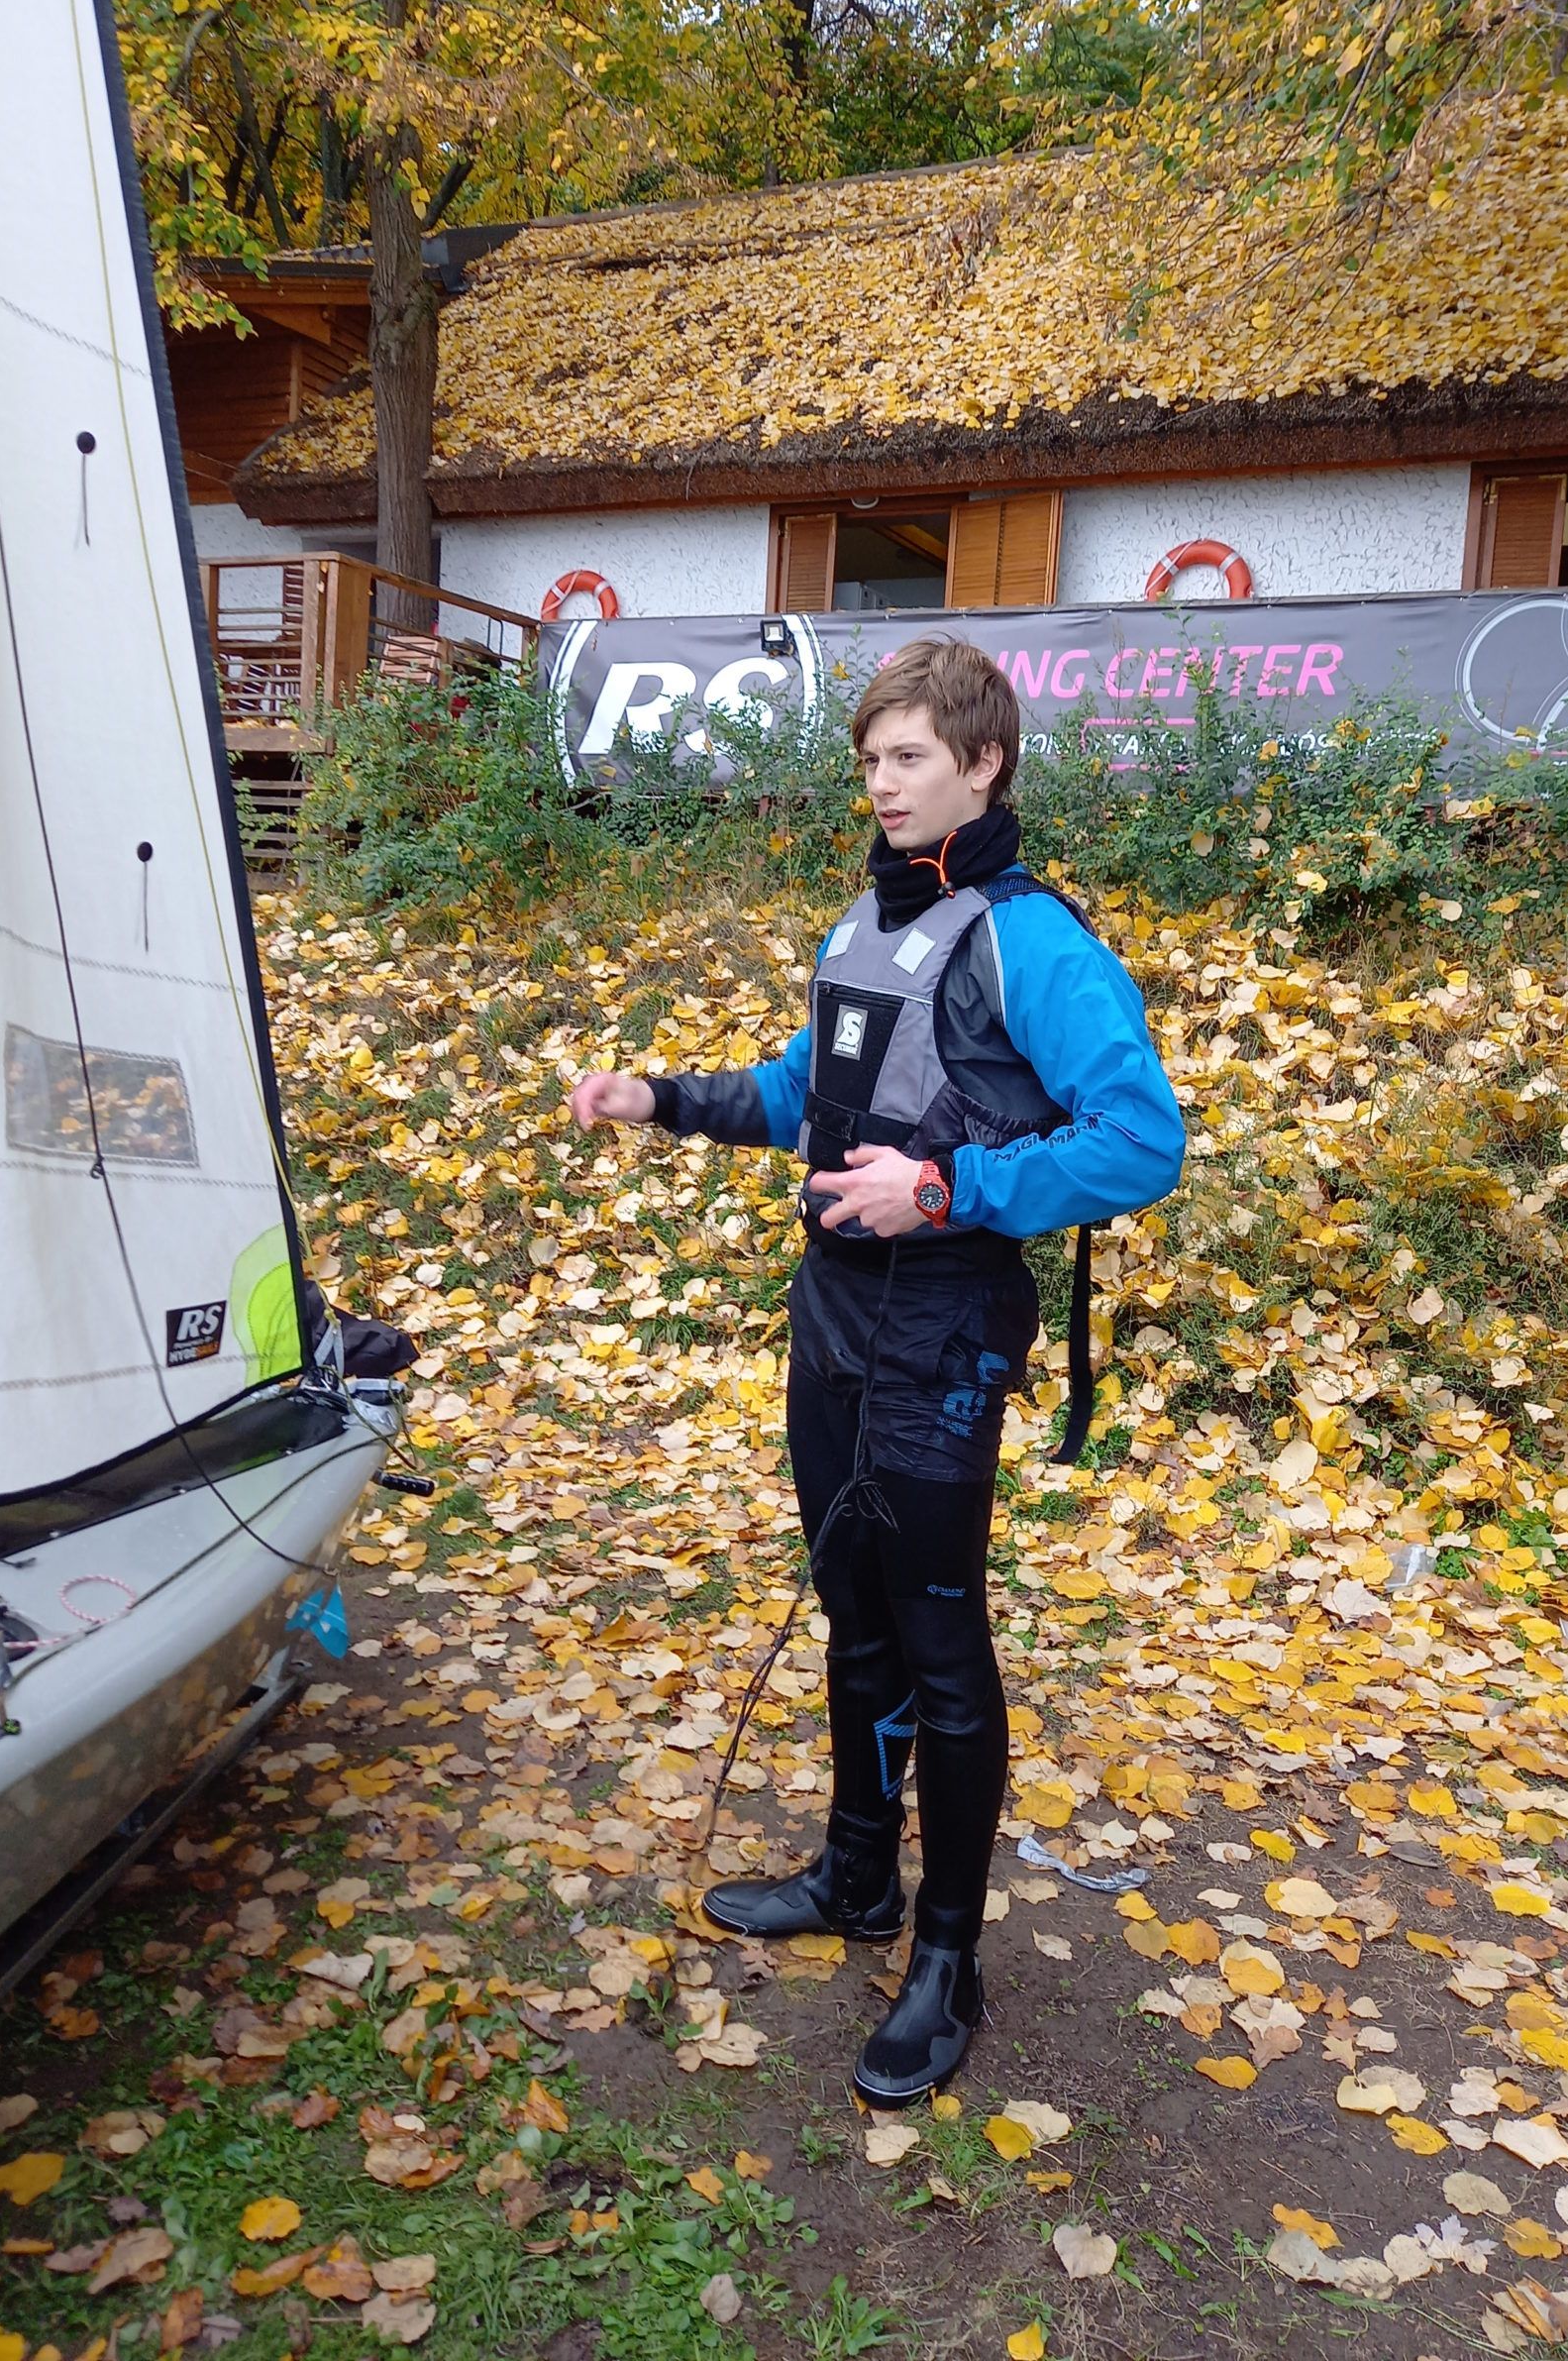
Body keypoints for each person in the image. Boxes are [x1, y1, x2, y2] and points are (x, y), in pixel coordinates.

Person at [568, 635, 1184, 2104]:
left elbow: (1141, 1140)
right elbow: (808, 1094)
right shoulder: (868, 920)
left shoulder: (1032, 942)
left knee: (939, 1643)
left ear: (984, 762)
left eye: (909, 757)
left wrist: (950, 1190)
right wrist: (663, 1097)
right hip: (836, 1311)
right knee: (852, 1606)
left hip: (944, 1324)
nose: (884, 784)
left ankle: (948, 1959)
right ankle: (857, 1876)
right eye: (870, 760)